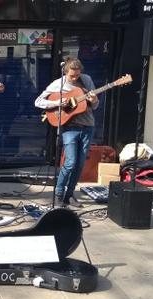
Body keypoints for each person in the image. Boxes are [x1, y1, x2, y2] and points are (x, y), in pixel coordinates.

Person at [34, 57, 99, 208]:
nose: (75, 78)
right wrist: (57, 103)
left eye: (77, 75)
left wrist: (94, 100)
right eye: (72, 76)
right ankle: (58, 194)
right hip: (69, 126)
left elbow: (95, 106)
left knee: (80, 164)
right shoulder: (58, 84)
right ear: (65, 72)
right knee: (70, 162)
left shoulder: (86, 80)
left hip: (87, 126)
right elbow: (38, 101)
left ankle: (70, 195)